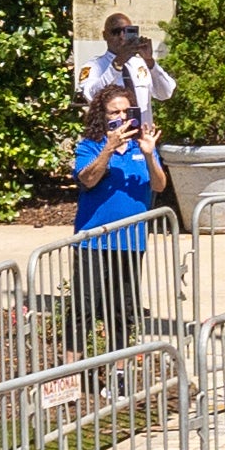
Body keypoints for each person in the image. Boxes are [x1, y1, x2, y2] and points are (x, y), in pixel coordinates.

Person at [72, 83, 167, 350]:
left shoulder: (142, 146)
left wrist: (149, 155)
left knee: (123, 311)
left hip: (129, 241)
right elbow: (87, 179)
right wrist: (108, 149)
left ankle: (120, 372)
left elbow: (159, 185)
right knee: (84, 308)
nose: (122, 117)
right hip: (93, 240)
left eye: (126, 111)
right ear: (102, 115)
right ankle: (69, 376)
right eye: (115, 112)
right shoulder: (91, 146)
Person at [79, 16, 176, 129]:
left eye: (127, 31)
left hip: (142, 138)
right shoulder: (93, 66)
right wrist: (117, 64)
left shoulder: (142, 64)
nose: (121, 36)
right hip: (113, 138)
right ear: (105, 35)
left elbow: (166, 93)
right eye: (116, 32)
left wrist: (150, 62)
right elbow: (92, 95)